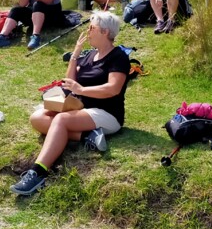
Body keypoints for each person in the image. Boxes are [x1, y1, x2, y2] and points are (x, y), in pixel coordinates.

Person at [11, 11, 130, 196]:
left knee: (61, 121)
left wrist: (81, 90)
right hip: (82, 110)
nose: (88, 31)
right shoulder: (91, 55)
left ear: (105, 32)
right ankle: (87, 136)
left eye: (92, 27)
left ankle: (38, 173)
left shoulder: (119, 56)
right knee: (37, 118)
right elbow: (69, 83)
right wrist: (75, 55)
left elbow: (113, 89)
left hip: (106, 113)